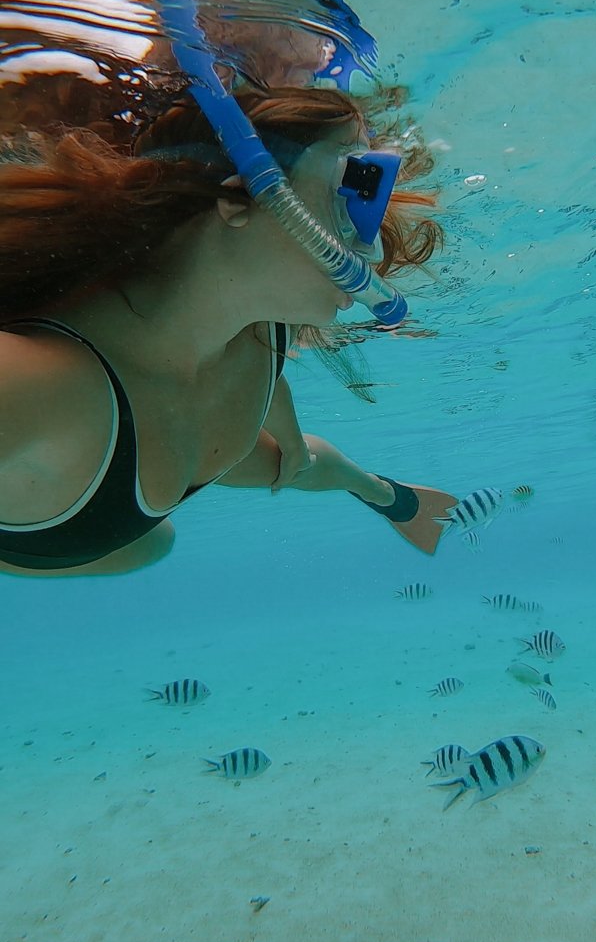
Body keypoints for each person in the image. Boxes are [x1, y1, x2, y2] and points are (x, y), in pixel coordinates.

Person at [0, 66, 460, 577]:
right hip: (54, 541)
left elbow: (281, 415)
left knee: (298, 460)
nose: (367, 246)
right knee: (158, 543)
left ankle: (387, 497)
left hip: (145, 464)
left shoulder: (263, 331)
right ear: (236, 198)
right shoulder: (36, 384)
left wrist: (289, 439)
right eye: (348, 188)